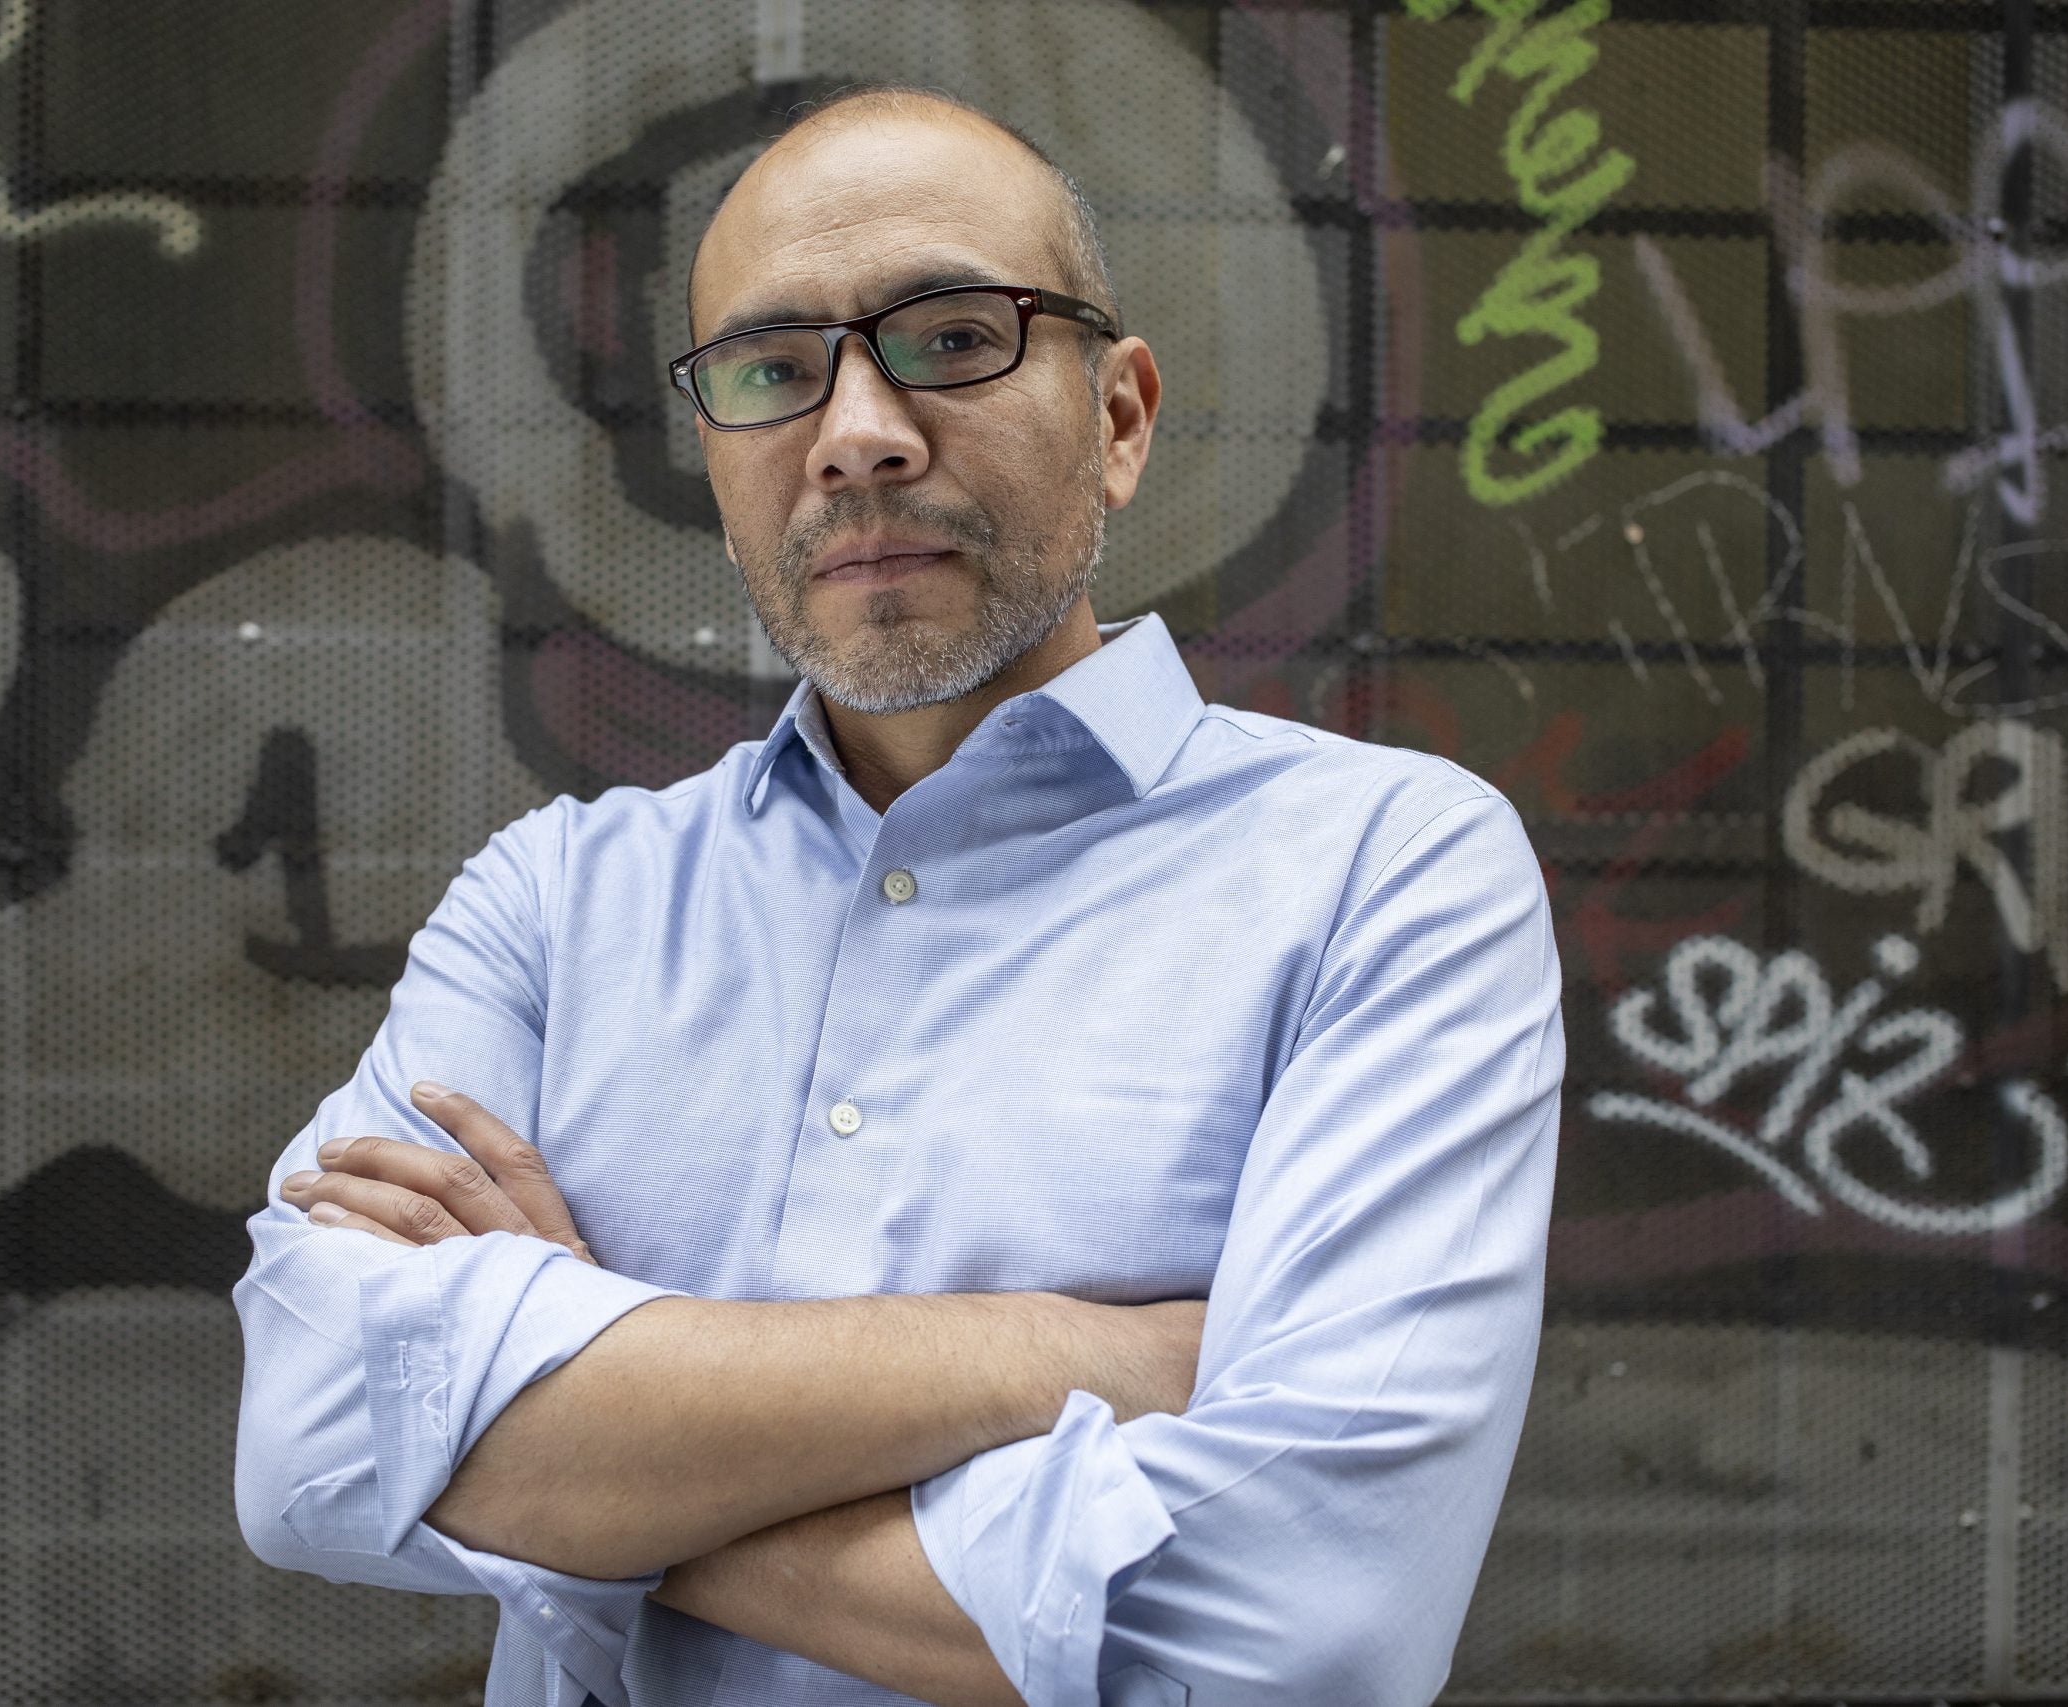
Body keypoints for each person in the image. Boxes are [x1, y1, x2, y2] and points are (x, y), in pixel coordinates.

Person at [235, 85, 1563, 1707]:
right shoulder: (557, 905)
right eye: (774, 373)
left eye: (951, 337)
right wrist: (1065, 1359)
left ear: (1123, 417)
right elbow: (305, 1445)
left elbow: (1291, 1635)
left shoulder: (1386, 874)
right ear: (716, 453)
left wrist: (564, 1443)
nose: (858, 432)